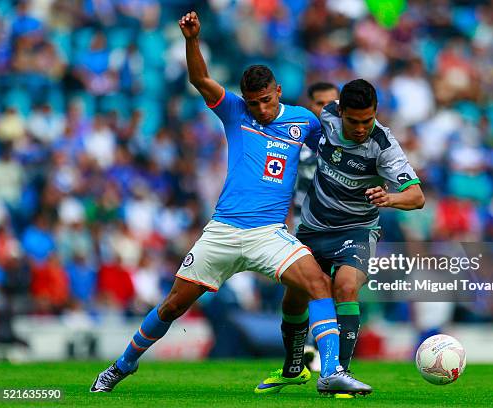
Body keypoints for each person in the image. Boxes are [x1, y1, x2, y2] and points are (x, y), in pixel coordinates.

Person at [90, 11, 371, 396]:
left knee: (318, 283)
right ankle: (120, 366)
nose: (260, 109)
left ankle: (331, 371)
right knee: (173, 306)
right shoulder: (235, 111)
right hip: (223, 231)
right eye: (254, 103)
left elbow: (334, 151)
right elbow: (199, 80)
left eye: (265, 100)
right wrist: (192, 40)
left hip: (269, 233)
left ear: (277, 91)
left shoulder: (303, 120)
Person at [256, 79, 424, 395]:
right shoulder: (327, 115)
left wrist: (390, 199)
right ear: (341, 111)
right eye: (354, 120)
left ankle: (337, 374)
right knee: (294, 296)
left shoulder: (384, 146)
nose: (361, 128)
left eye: (368, 120)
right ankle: (293, 369)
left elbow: (417, 197)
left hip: (357, 230)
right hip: (313, 227)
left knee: (345, 286)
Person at [291, 82, 340, 228]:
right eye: (320, 103)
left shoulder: (354, 139)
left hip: (344, 224)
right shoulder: (296, 139)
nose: (326, 109)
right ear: (310, 106)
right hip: (304, 223)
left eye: (331, 103)